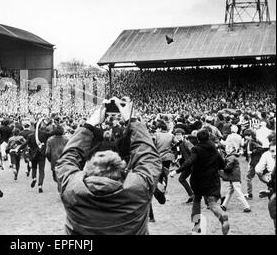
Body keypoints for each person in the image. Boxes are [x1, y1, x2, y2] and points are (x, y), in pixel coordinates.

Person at [56, 97, 162, 235]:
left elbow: (67, 159)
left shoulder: (72, 188)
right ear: (122, 170)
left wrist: (89, 125)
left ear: (87, 171)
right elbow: (148, 156)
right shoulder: (139, 187)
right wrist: (132, 120)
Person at [170, 130, 229, 235]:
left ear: (198, 139)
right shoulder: (214, 150)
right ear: (209, 138)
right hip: (212, 180)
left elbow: (189, 162)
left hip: (198, 180)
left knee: (196, 202)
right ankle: (222, 215)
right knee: (212, 204)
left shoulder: (196, 149)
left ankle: (196, 226)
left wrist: (176, 171)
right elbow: (222, 165)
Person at [219, 142, 251, 213]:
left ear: (232, 149)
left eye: (228, 148)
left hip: (234, 178)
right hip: (233, 177)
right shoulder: (232, 156)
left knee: (238, 192)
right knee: (230, 192)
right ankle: (224, 205)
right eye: (226, 148)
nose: (226, 150)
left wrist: (221, 168)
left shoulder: (231, 157)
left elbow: (228, 168)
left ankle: (246, 206)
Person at [171, 128, 194, 203]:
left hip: (190, 165)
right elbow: (179, 154)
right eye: (176, 135)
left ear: (183, 135)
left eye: (179, 134)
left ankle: (194, 196)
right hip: (186, 165)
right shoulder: (179, 144)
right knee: (182, 179)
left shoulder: (186, 143)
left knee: (185, 179)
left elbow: (193, 153)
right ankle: (192, 195)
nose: (178, 136)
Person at [244, 129, 264, 200]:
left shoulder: (252, 142)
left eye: (246, 136)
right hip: (256, 161)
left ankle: (249, 194)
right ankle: (271, 189)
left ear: (250, 136)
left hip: (254, 163)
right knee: (262, 177)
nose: (245, 137)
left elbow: (260, 148)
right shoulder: (254, 141)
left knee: (248, 178)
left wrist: (252, 152)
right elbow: (261, 146)